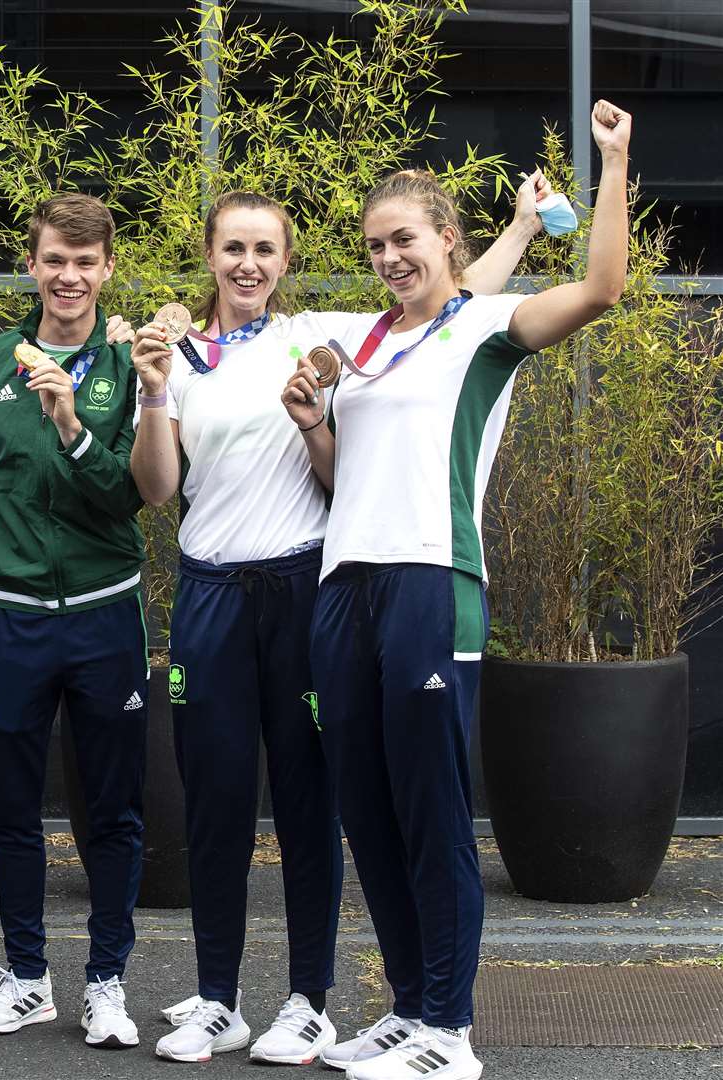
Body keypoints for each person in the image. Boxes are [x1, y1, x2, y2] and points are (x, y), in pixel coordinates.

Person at [128, 179, 545, 1066]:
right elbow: (157, 490)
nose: (247, 264)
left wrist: (512, 230)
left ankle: (308, 1002)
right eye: (231, 248)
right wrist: (153, 386)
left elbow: (454, 306)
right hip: (206, 589)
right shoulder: (170, 349)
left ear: (285, 263)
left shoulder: (318, 334)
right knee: (215, 803)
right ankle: (215, 999)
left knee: (314, 805)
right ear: (207, 255)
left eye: (264, 250)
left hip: (307, 585)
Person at [281, 102, 632, 1080]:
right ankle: (405, 1009)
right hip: (341, 586)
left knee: (430, 813)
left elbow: (600, 287)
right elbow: (341, 472)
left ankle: (448, 1028)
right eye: (373, 244)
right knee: (368, 811)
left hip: (434, 582)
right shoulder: (368, 344)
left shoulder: (483, 329)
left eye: (404, 238)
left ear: (445, 239)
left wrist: (613, 163)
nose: (388, 256)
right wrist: (313, 423)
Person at [0, 193, 148, 1050]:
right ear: (31, 266)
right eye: (53, 261)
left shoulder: (130, 360)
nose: (68, 277)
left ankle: (106, 980)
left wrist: (69, 422)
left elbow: (129, 496)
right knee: (9, 810)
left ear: (107, 268)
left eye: (85, 262)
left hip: (106, 613)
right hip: (11, 618)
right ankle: (27, 976)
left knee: (110, 811)